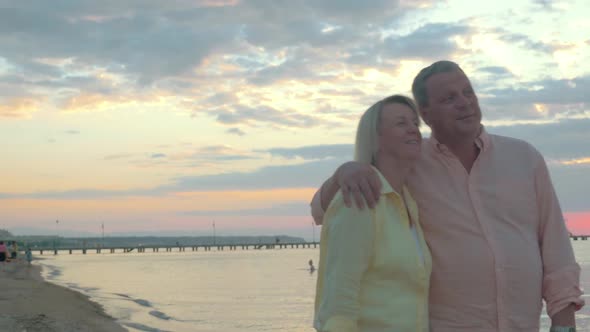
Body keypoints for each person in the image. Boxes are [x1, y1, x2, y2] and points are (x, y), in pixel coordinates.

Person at [310, 60, 583, 332]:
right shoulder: (410, 162)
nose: (464, 102)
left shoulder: (524, 158)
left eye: (468, 92)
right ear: (426, 115)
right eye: (449, 98)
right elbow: (323, 213)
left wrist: (564, 323)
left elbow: (555, 245)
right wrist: (342, 175)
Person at [314, 95, 432, 332]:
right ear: (376, 139)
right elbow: (340, 294)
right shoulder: (360, 198)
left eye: (415, 123)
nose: (413, 130)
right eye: (401, 123)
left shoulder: (407, 202)